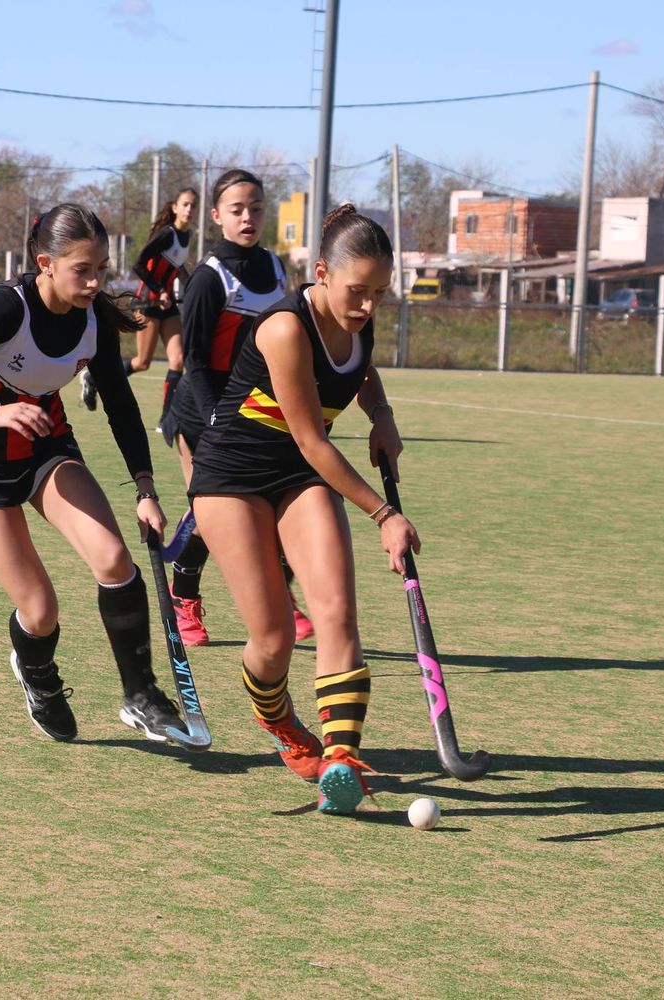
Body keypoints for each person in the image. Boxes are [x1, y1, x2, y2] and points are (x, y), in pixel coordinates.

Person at [0, 203, 187, 744]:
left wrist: (146, 488)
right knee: (40, 608)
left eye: (102, 266)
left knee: (115, 559)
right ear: (45, 263)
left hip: (45, 450)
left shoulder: (95, 316)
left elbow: (121, 402)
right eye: (83, 269)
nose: (96, 280)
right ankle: (39, 678)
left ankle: (141, 696)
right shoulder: (4, 308)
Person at [188, 203, 418, 814]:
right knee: (274, 638)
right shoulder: (284, 328)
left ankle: (341, 759)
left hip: (295, 475)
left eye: (380, 293)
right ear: (321, 272)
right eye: (357, 291)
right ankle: (288, 730)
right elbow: (314, 440)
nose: (368, 307)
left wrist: (383, 417)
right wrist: (382, 514)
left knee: (337, 609)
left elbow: (358, 369)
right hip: (231, 478)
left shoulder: (358, 318)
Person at [161, 168, 308, 647]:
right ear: (217, 215)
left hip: (256, 409)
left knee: (271, 503)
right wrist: (214, 419)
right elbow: (195, 359)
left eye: (257, 208)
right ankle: (183, 600)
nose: (248, 217)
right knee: (213, 513)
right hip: (202, 411)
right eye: (237, 209)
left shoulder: (275, 266)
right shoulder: (209, 277)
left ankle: (281, 598)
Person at [78, 187, 197, 426]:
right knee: (143, 362)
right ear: (175, 207)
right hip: (148, 301)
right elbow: (139, 264)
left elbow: (177, 267)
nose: (189, 210)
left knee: (178, 360)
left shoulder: (188, 236)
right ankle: (93, 377)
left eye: (194, 206)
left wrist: (191, 283)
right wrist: (160, 290)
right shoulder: (166, 234)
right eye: (185, 204)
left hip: (168, 305)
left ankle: (166, 420)